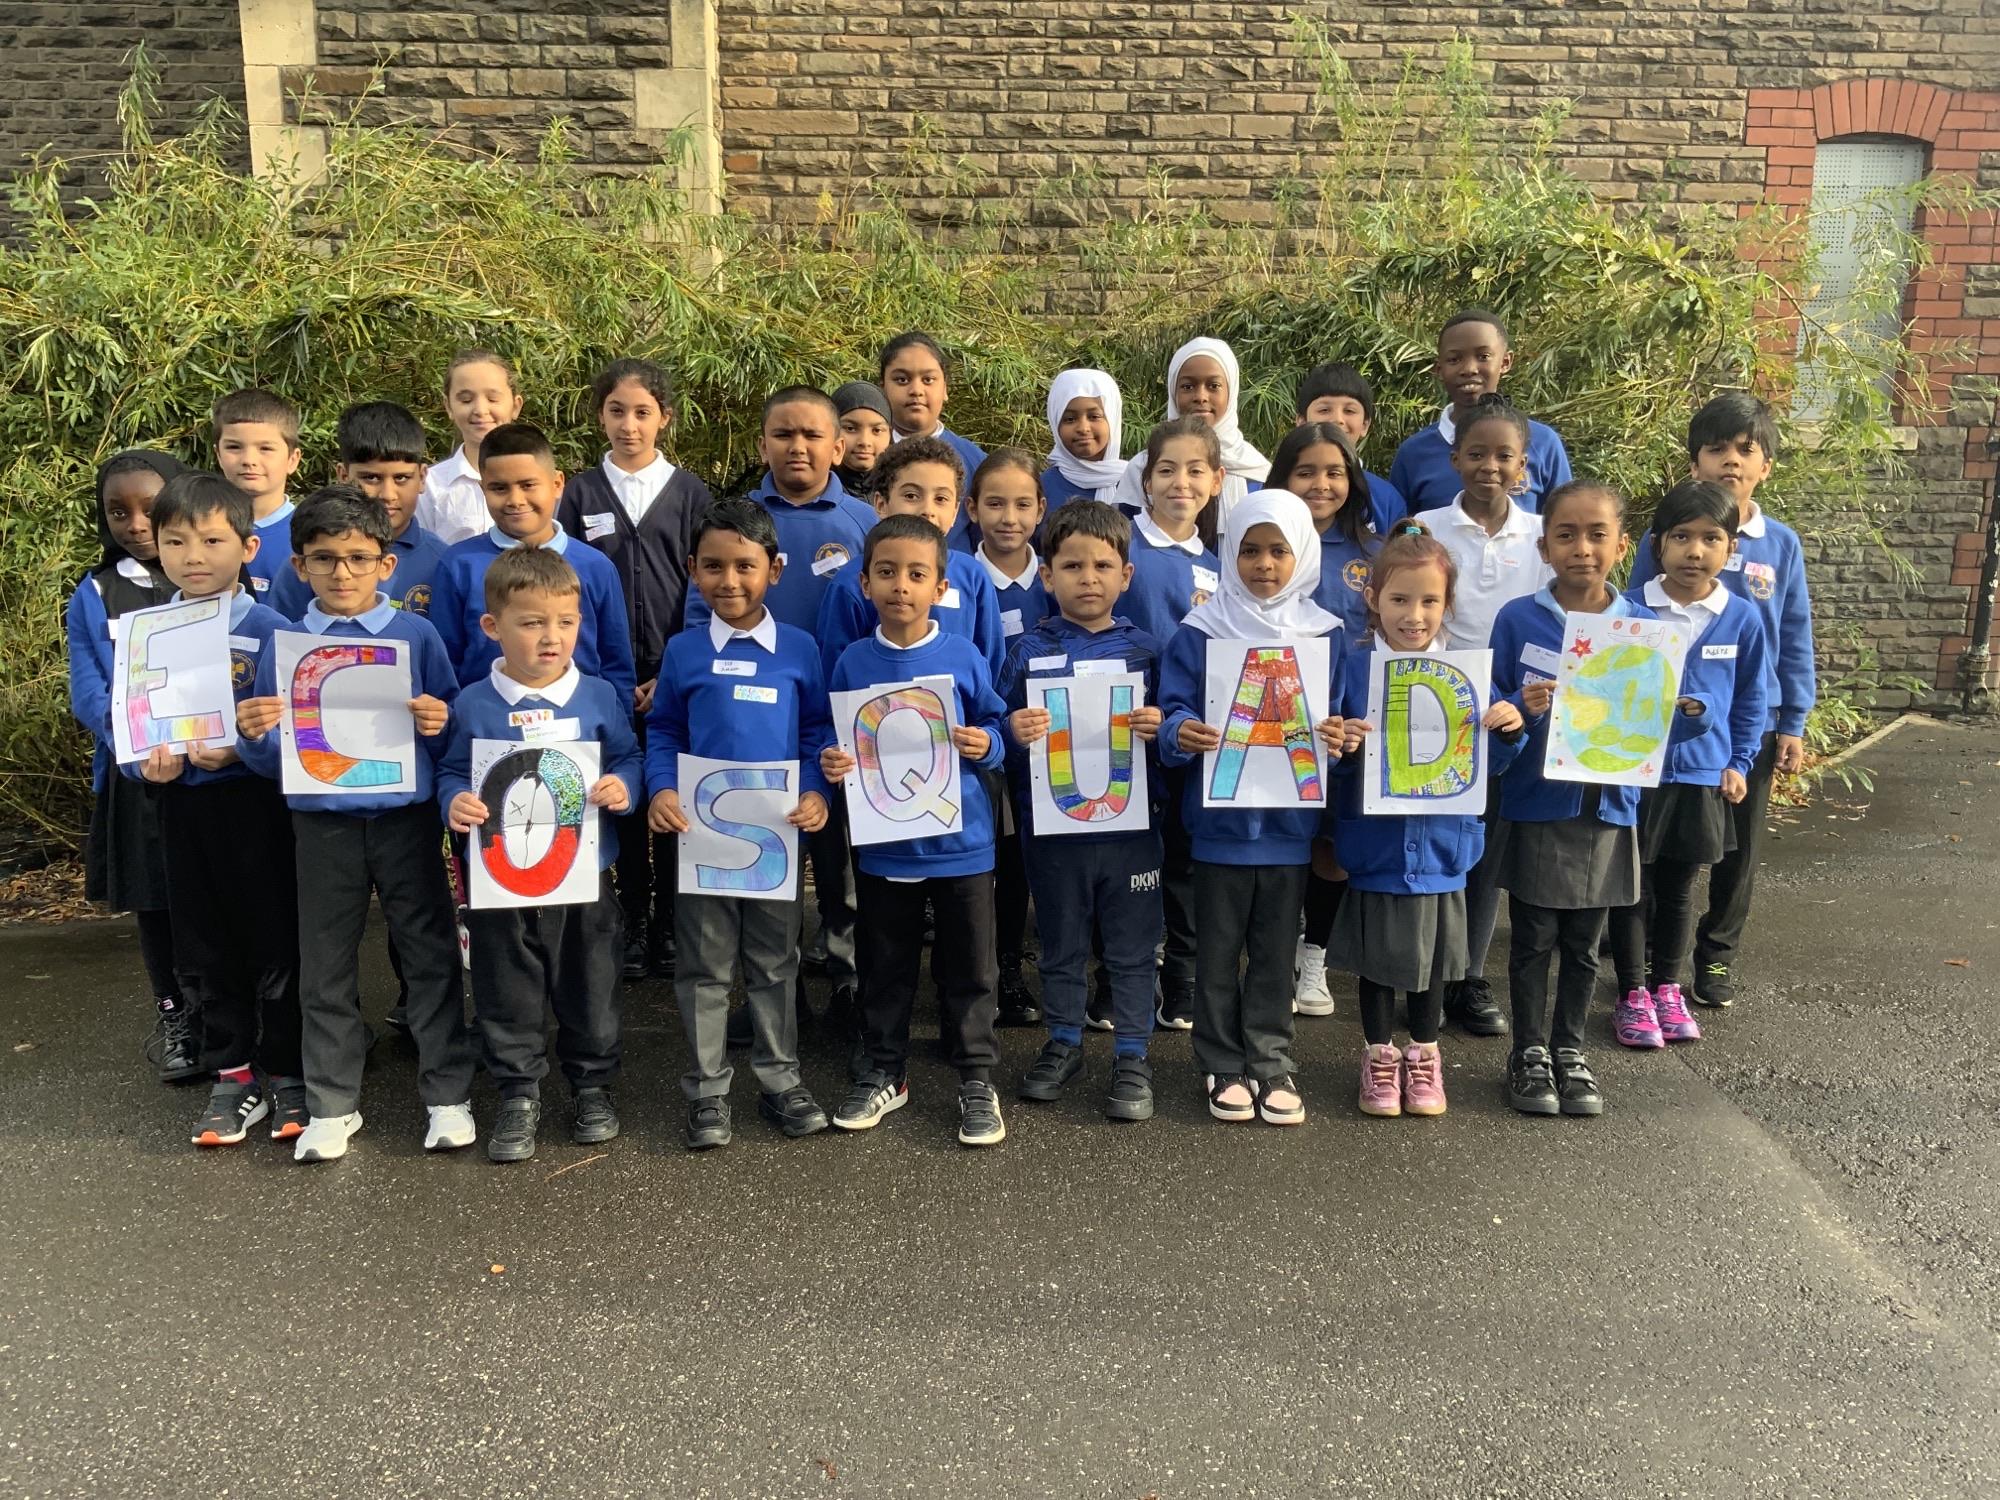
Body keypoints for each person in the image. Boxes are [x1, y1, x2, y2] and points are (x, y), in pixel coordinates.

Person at [234, 486, 477, 1162]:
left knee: (429, 957)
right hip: (322, 828)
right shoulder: (284, 644)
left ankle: (448, 1095)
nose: (342, 572)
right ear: (299, 567)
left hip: (404, 822)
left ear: (385, 564)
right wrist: (253, 733)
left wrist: (439, 720)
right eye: (324, 559)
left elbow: (451, 725)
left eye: (357, 557)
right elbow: (265, 753)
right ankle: (333, 1103)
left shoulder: (414, 634)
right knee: (325, 966)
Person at [1488, 481, 1711, 1118]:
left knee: (1585, 942)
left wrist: (1687, 711)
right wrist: (1519, 716)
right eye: (1566, 535)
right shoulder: (1518, 619)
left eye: (1596, 535)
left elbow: (1673, 724)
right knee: (1532, 938)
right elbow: (1496, 726)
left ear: (1621, 545)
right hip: (1539, 802)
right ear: (1543, 544)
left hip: (1609, 807)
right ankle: (1527, 1052)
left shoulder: (1644, 628)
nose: (1581, 548)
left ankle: (1569, 1049)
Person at [437, 547, 642, 1163]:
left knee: (591, 980)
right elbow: (450, 770)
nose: (551, 638)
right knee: (506, 983)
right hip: (500, 883)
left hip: (584, 879)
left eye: (565, 623)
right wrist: (454, 802)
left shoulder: (599, 696)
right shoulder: (473, 702)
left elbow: (630, 757)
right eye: (532, 623)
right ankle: (518, 1090)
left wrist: (623, 786)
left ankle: (591, 1084)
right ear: (492, 627)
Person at [645, 498, 836, 1148]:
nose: (730, 581)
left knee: (775, 963)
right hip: (700, 838)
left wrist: (817, 794)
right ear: (693, 569)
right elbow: (664, 728)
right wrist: (662, 788)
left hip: (775, 839)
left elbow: (817, 734)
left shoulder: (801, 651)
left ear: (774, 570)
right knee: (703, 968)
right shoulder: (684, 651)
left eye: (746, 567)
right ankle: (706, 1093)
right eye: (715, 567)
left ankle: (782, 1082)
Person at [1158, 490, 1353, 1126]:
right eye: (1248, 549)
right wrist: (1179, 730)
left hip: (1290, 828)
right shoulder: (1202, 629)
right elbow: (1173, 707)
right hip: (1219, 826)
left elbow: (1342, 720)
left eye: (1278, 550)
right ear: (1227, 552)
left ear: (1301, 554)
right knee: (1216, 949)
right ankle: (1219, 1059)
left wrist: (1341, 738)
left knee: (1275, 952)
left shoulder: (1325, 633)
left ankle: (1270, 1059)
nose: (1263, 564)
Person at [819, 514, 1011, 1147]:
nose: (900, 585)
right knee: (887, 964)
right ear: (865, 582)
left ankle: (976, 1078)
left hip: (963, 846)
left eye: (916, 574)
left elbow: (998, 730)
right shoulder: (851, 661)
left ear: (941, 586)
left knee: (970, 968)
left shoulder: (962, 655)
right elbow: (835, 735)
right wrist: (833, 759)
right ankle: (884, 1070)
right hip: (884, 849)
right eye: (886, 572)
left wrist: (986, 743)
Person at [686, 387, 877, 1022]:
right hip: (756, 719)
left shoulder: (860, 523)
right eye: (784, 435)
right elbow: (700, 614)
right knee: (767, 850)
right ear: (762, 443)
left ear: (839, 446)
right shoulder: (735, 516)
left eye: (813, 436)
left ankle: (846, 971)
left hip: (837, 718)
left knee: (837, 851)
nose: (798, 447)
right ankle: (777, 985)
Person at [123, 472, 302, 1147]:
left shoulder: (273, 630)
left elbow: (299, 740)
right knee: (206, 945)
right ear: (158, 551)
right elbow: (129, 729)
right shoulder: (143, 635)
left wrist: (242, 754)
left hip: (258, 811)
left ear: (248, 547)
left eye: (212, 540)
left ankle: (288, 1072)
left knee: (275, 942)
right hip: (184, 814)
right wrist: (147, 763)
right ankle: (233, 1075)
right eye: (176, 542)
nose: (194, 556)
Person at [1328, 523, 1524, 1117]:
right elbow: (1328, 764)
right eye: (1399, 600)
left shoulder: (1469, 676)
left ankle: (1426, 1053)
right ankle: (1379, 1055)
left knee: (1435, 961)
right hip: (1376, 846)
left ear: (1448, 604)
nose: (1414, 615)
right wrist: (1342, 745)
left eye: (1429, 601)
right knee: (1378, 963)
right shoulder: (1354, 671)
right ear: (1373, 599)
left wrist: (1510, 731)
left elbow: (1487, 763)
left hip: (1442, 848)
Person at [1631, 392, 1815, 1008]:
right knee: (1655, 842)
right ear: (1694, 463)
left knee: (1736, 848)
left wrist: (1793, 719)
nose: (1731, 461)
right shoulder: (1659, 537)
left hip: (1746, 727)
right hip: (1660, 725)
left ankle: (1714, 959)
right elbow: (1626, 628)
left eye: (1746, 450)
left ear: (1766, 465)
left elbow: (1792, 633)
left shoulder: (1778, 544)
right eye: (1717, 449)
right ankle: (1649, 961)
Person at [1002, 501, 1167, 1119]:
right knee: (1060, 943)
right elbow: (995, 730)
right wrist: (1012, 728)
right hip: (1054, 834)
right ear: (1047, 575)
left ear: (1127, 575)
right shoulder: (1024, 651)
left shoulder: (1148, 652)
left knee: (1129, 945)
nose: (1088, 577)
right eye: (1072, 565)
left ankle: (1132, 1054)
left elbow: (1178, 734)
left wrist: (1162, 727)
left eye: (1103, 565)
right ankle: (1064, 1039)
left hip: (1132, 834)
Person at [556, 357, 717, 981]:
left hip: (674, 674)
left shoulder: (691, 492)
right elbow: (565, 586)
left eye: (643, 412)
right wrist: (615, 680)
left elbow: (705, 585)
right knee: (619, 799)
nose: (629, 424)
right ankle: (633, 916)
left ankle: (674, 924)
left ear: (665, 419)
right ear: (600, 416)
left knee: (671, 799)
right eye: (617, 411)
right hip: (602, 676)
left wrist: (674, 668)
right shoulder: (578, 493)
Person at [1413, 392, 1554, 1038]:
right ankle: (1423, 971)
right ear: (1454, 459)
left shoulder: (1542, 537)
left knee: (1489, 852)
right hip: (1437, 707)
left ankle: (1467, 976)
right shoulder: (1425, 528)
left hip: (1511, 715)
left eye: (1504, 456)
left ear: (1524, 466)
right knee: (1440, 842)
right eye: (1476, 453)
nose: (1489, 466)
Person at [1608, 480, 1769, 1048]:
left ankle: (1666, 989)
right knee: (1629, 886)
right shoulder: (1629, 610)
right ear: (1657, 545)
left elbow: (1752, 698)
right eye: (1681, 537)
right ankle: (1631, 993)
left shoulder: (1742, 619)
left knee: (1678, 888)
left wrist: (1739, 761)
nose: (1694, 551)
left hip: (1701, 774)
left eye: (1710, 539)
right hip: (1636, 773)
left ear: (1730, 550)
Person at [65, 449, 197, 1083]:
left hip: (210, 768)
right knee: (157, 903)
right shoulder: (93, 593)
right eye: (119, 511)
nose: (136, 523)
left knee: (221, 893)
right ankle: (175, 1014)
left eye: (150, 508)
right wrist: (136, 746)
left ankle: (235, 1012)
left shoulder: (210, 576)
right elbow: (89, 687)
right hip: (138, 774)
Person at [1269, 421, 1382, 1019]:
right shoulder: (1257, 545)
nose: (1320, 484)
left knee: (1333, 849)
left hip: (1350, 725)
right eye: (1305, 471)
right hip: (1277, 726)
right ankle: (1278, 948)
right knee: (1289, 840)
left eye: (1334, 472)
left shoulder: (1372, 554)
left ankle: (1315, 956)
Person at [1123, 416, 1225, 1032]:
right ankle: (1121, 973)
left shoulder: (1220, 565)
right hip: (1122, 729)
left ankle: (1180, 976)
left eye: (1194, 471)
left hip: (1186, 736)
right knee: (1130, 857)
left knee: (1183, 860)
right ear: (1145, 480)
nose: (1179, 482)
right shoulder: (1121, 547)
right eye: (1166, 470)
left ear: (1215, 481)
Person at [426, 422, 635, 705]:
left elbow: (616, 665)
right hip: (487, 729)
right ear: (483, 489)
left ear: (557, 484)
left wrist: (614, 735)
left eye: (527, 485)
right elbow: (445, 663)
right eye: (499, 488)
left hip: (579, 731)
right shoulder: (459, 564)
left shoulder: (595, 567)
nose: (515, 500)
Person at [968, 448, 1052, 1027]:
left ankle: (1011, 968)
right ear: (971, 509)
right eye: (994, 503)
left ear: (1042, 509)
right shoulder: (954, 576)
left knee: (1023, 860)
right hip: (975, 742)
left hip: (1043, 746)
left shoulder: (1055, 574)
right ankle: (973, 971)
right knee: (982, 861)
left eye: (1023, 504)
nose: (1008, 517)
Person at [815, 435, 1005, 685]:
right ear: (881, 504)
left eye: (941, 499)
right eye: (912, 496)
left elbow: (990, 664)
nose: (928, 509)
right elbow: (835, 675)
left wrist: (984, 725)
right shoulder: (851, 580)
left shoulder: (972, 576)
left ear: (955, 512)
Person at [269, 401, 451, 621]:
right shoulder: (315, 559)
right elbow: (283, 637)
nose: (388, 494)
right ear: (343, 476)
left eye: (401, 478)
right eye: (371, 478)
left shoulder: (442, 561)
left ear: (422, 477)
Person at [1388, 310, 1573, 515]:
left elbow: (1564, 523)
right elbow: (1401, 534)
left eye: (1483, 356)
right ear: (1438, 369)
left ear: (1505, 362)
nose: (1469, 368)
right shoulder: (1414, 453)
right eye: (1454, 359)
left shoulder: (1543, 442)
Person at [1113, 337, 1268, 524]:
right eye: (1188, 387)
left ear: (1231, 391)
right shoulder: (1142, 468)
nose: (1201, 396)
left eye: (1214, 386)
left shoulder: (1255, 472)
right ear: (1173, 392)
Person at [879, 331, 985, 540]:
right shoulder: (864, 452)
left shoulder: (976, 462)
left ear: (945, 388)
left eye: (928, 380)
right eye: (901, 379)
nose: (916, 390)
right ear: (882, 388)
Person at [418, 349, 526, 545]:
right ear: (449, 406)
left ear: (516, 406)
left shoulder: (540, 481)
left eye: (493, 399)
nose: (480, 410)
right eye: (466, 400)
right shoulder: (430, 487)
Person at [211, 388, 303, 600]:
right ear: (218, 455)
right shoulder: (200, 531)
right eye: (234, 447)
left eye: (265, 449)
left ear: (292, 459)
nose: (249, 460)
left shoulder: (310, 534)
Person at [1293, 360, 1405, 531]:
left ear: (1365, 425)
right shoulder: (1271, 488)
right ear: (1301, 422)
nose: (1337, 419)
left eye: (1349, 411)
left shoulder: (1385, 499)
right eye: (1324, 410)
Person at [1041, 369, 1127, 512]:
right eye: (1070, 419)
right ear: (1056, 423)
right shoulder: (1044, 487)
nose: (1083, 428)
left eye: (1094, 416)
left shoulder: (1137, 484)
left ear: (1112, 418)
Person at [833, 381, 894, 498]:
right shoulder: (816, 491)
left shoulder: (900, 490)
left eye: (876, 430)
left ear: (889, 435)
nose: (864, 442)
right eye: (850, 428)